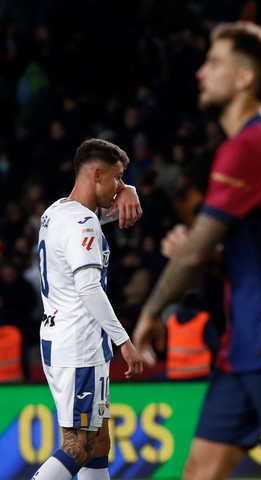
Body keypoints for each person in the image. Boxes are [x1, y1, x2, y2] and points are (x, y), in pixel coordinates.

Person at [132, 21, 261, 479]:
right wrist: (202, 256)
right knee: (199, 472)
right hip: (245, 345)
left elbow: (194, 253)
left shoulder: (251, 146)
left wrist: (152, 311)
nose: (200, 73)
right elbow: (253, 253)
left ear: (245, 77)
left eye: (214, 62)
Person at [32, 138, 145, 480]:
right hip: (80, 345)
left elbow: (98, 219)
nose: (119, 187)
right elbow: (88, 287)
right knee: (79, 445)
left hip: (59, 337)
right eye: (117, 178)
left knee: (98, 443)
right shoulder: (84, 224)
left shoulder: (55, 212)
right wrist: (123, 341)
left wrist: (130, 190)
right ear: (97, 174)